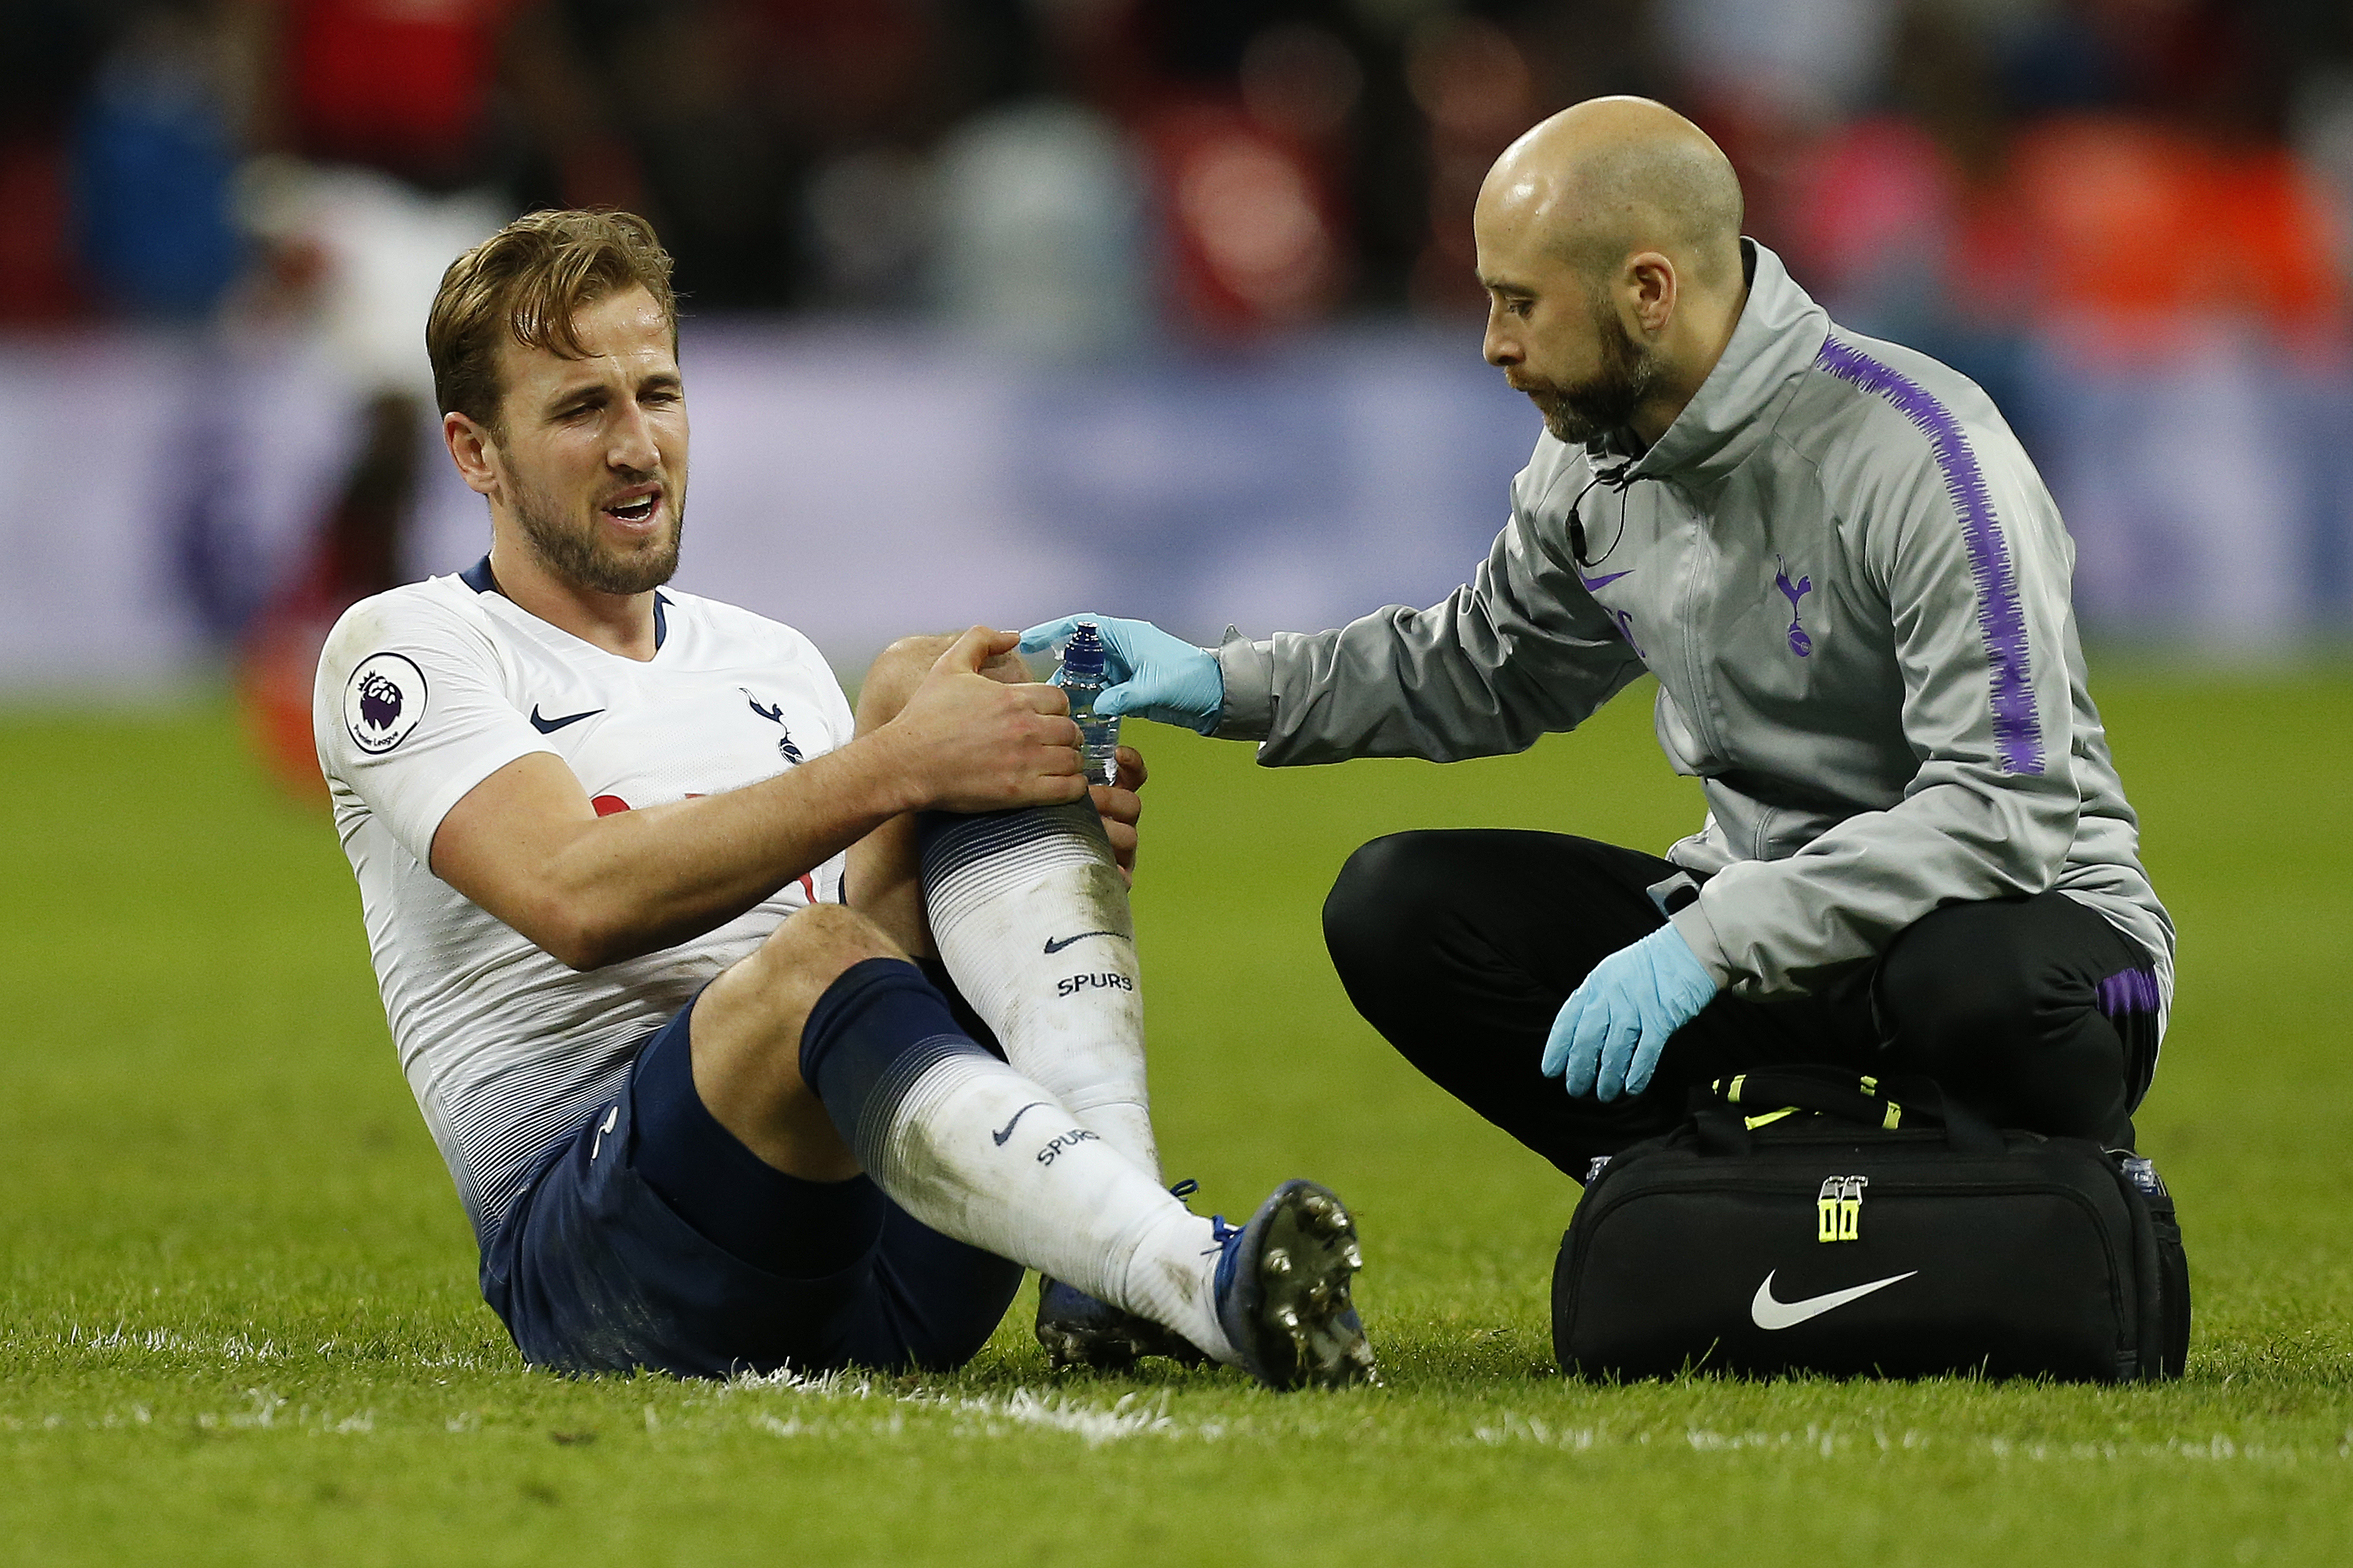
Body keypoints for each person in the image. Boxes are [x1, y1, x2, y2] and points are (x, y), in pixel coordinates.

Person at [310, 208, 1375, 1388]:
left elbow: (873, 952)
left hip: (884, 1247)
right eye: (579, 409)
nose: (636, 445)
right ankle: (1181, 1270)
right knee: (839, 901)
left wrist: (1014, 827)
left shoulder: (765, 659)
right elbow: (572, 897)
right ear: (474, 452)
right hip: (616, 1268)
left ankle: (1102, 1252)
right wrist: (901, 768)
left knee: (958, 684)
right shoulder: (408, 646)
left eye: (656, 394)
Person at [1028, 97, 2173, 1184]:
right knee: (1398, 906)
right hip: (1769, 937)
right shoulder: (1588, 465)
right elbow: (1473, 669)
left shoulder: (1924, 455)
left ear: (1646, 290)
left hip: (2039, 938)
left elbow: (2003, 810)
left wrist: (1711, 939)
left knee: (1972, 982)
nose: (1490, 342)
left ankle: (2011, 1206)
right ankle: (1713, 1204)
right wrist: (1214, 680)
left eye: (1517, 301)